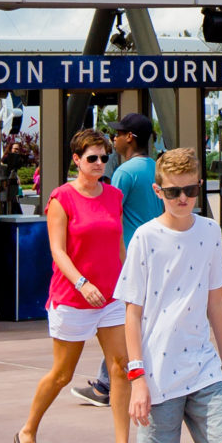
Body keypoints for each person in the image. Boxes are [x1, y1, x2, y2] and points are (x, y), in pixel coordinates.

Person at [122, 147, 222, 443]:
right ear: (158, 191)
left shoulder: (209, 232)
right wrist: (137, 377)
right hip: (157, 372)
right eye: (173, 192)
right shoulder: (144, 237)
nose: (183, 198)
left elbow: (216, 301)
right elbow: (132, 311)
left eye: (190, 190)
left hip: (203, 366)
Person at [17, 128, 143, 443]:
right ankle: (27, 431)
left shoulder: (114, 196)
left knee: (121, 368)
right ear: (76, 160)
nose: (100, 163)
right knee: (62, 374)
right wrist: (82, 282)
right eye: (92, 158)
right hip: (73, 296)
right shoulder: (61, 198)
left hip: (111, 297)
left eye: (105, 157)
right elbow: (57, 250)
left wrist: (128, 283)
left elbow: (117, 244)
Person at [77, 114, 162, 408]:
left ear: (130, 138)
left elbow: (108, 211)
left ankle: (104, 384)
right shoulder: (156, 169)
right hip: (157, 254)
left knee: (124, 319)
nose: (114, 138)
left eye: (119, 133)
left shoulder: (125, 173)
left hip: (131, 256)